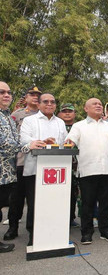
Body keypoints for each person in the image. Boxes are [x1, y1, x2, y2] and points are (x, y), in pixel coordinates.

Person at [66, 98, 108, 244]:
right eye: (94, 104)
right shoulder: (78, 126)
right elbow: (70, 142)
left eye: (100, 104)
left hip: (107, 170)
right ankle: (86, 232)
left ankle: (105, 230)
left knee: (106, 203)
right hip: (88, 170)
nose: (98, 106)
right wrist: (69, 143)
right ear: (85, 108)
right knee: (88, 203)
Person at [0, 82, 45, 253]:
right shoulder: (16, 114)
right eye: (2, 92)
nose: (6, 95)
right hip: (19, 161)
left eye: (9, 92)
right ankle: (12, 228)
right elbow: (7, 143)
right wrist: (28, 147)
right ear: (25, 98)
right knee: (15, 199)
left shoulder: (5, 116)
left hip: (12, 167)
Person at [20, 92, 68, 245]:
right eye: (45, 102)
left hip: (58, 171)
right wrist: (42, 142)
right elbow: (24, 140)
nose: (49, 104)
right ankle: (33, 236)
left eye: (52, 102)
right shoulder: (29, 121)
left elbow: (63, 141)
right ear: (39, 104)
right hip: (35, 169)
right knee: (35, 204)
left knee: (55, 204)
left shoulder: (60, 122)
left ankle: (55, 234)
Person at [59, 103, 80, 228]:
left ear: (74, 114)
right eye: (64, 111)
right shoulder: (57, 126)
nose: (67, 113)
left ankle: (71, 217)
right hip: (59, 164)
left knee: (73, 193)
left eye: (70, 111)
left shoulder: (78, 127)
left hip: (75, 165)